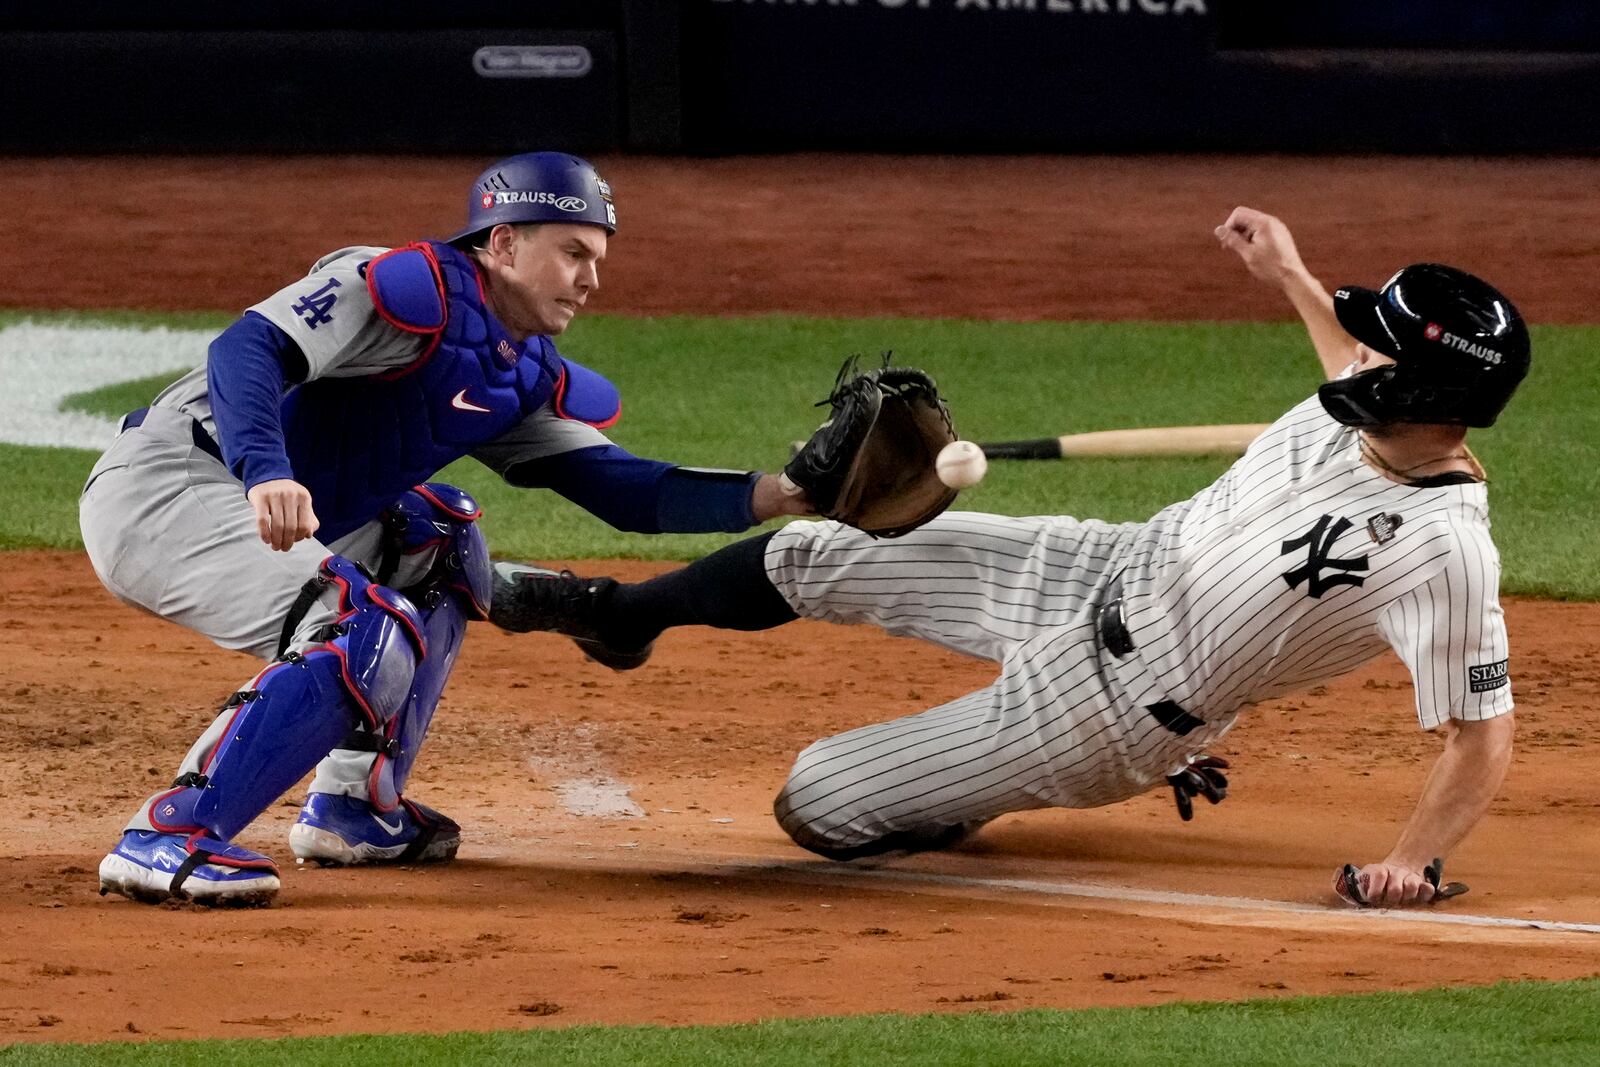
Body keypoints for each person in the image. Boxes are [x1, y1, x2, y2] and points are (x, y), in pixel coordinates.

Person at [510, 207, 1528, 909]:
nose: (1361, 354)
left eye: (1383, 351)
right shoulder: (1375, 398)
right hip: (1096, 565)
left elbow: (1479, 736)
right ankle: (622, 616)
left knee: (816, 798)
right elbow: (1339, 351)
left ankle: (962, 790)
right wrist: (1289, 273)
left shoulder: (1442, 553)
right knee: (822, 544)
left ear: (1423, 397)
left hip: (1113, 712)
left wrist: (1410, 860)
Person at [82, 152, 809, 906]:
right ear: (501, 243)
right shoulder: (394, 286)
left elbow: (623, 488)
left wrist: (783, 493)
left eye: (596, 257)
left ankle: (356, 806)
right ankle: (170, 835)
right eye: (572, 252)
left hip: (258, 503)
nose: (591, 279)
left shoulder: (517, 370)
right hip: (171, 486)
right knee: (360, 625)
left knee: (441, 542)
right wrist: (266, 469)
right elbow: (246, 348)